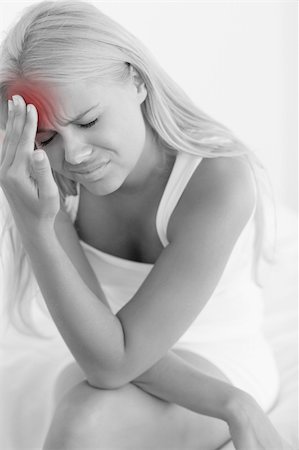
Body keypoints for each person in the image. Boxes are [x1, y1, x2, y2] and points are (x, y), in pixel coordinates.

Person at [0, 1, 292, 449]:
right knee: (84, 410)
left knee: (84, 420)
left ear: (136, 80)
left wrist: (238, 397)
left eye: (88, 120)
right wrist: (34, 221)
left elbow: (111, 362)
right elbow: (106, 358)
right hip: (105, 355)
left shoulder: (217, 180)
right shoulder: (47, 183)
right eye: (48, 138)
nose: (73, 154)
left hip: (219, 365)